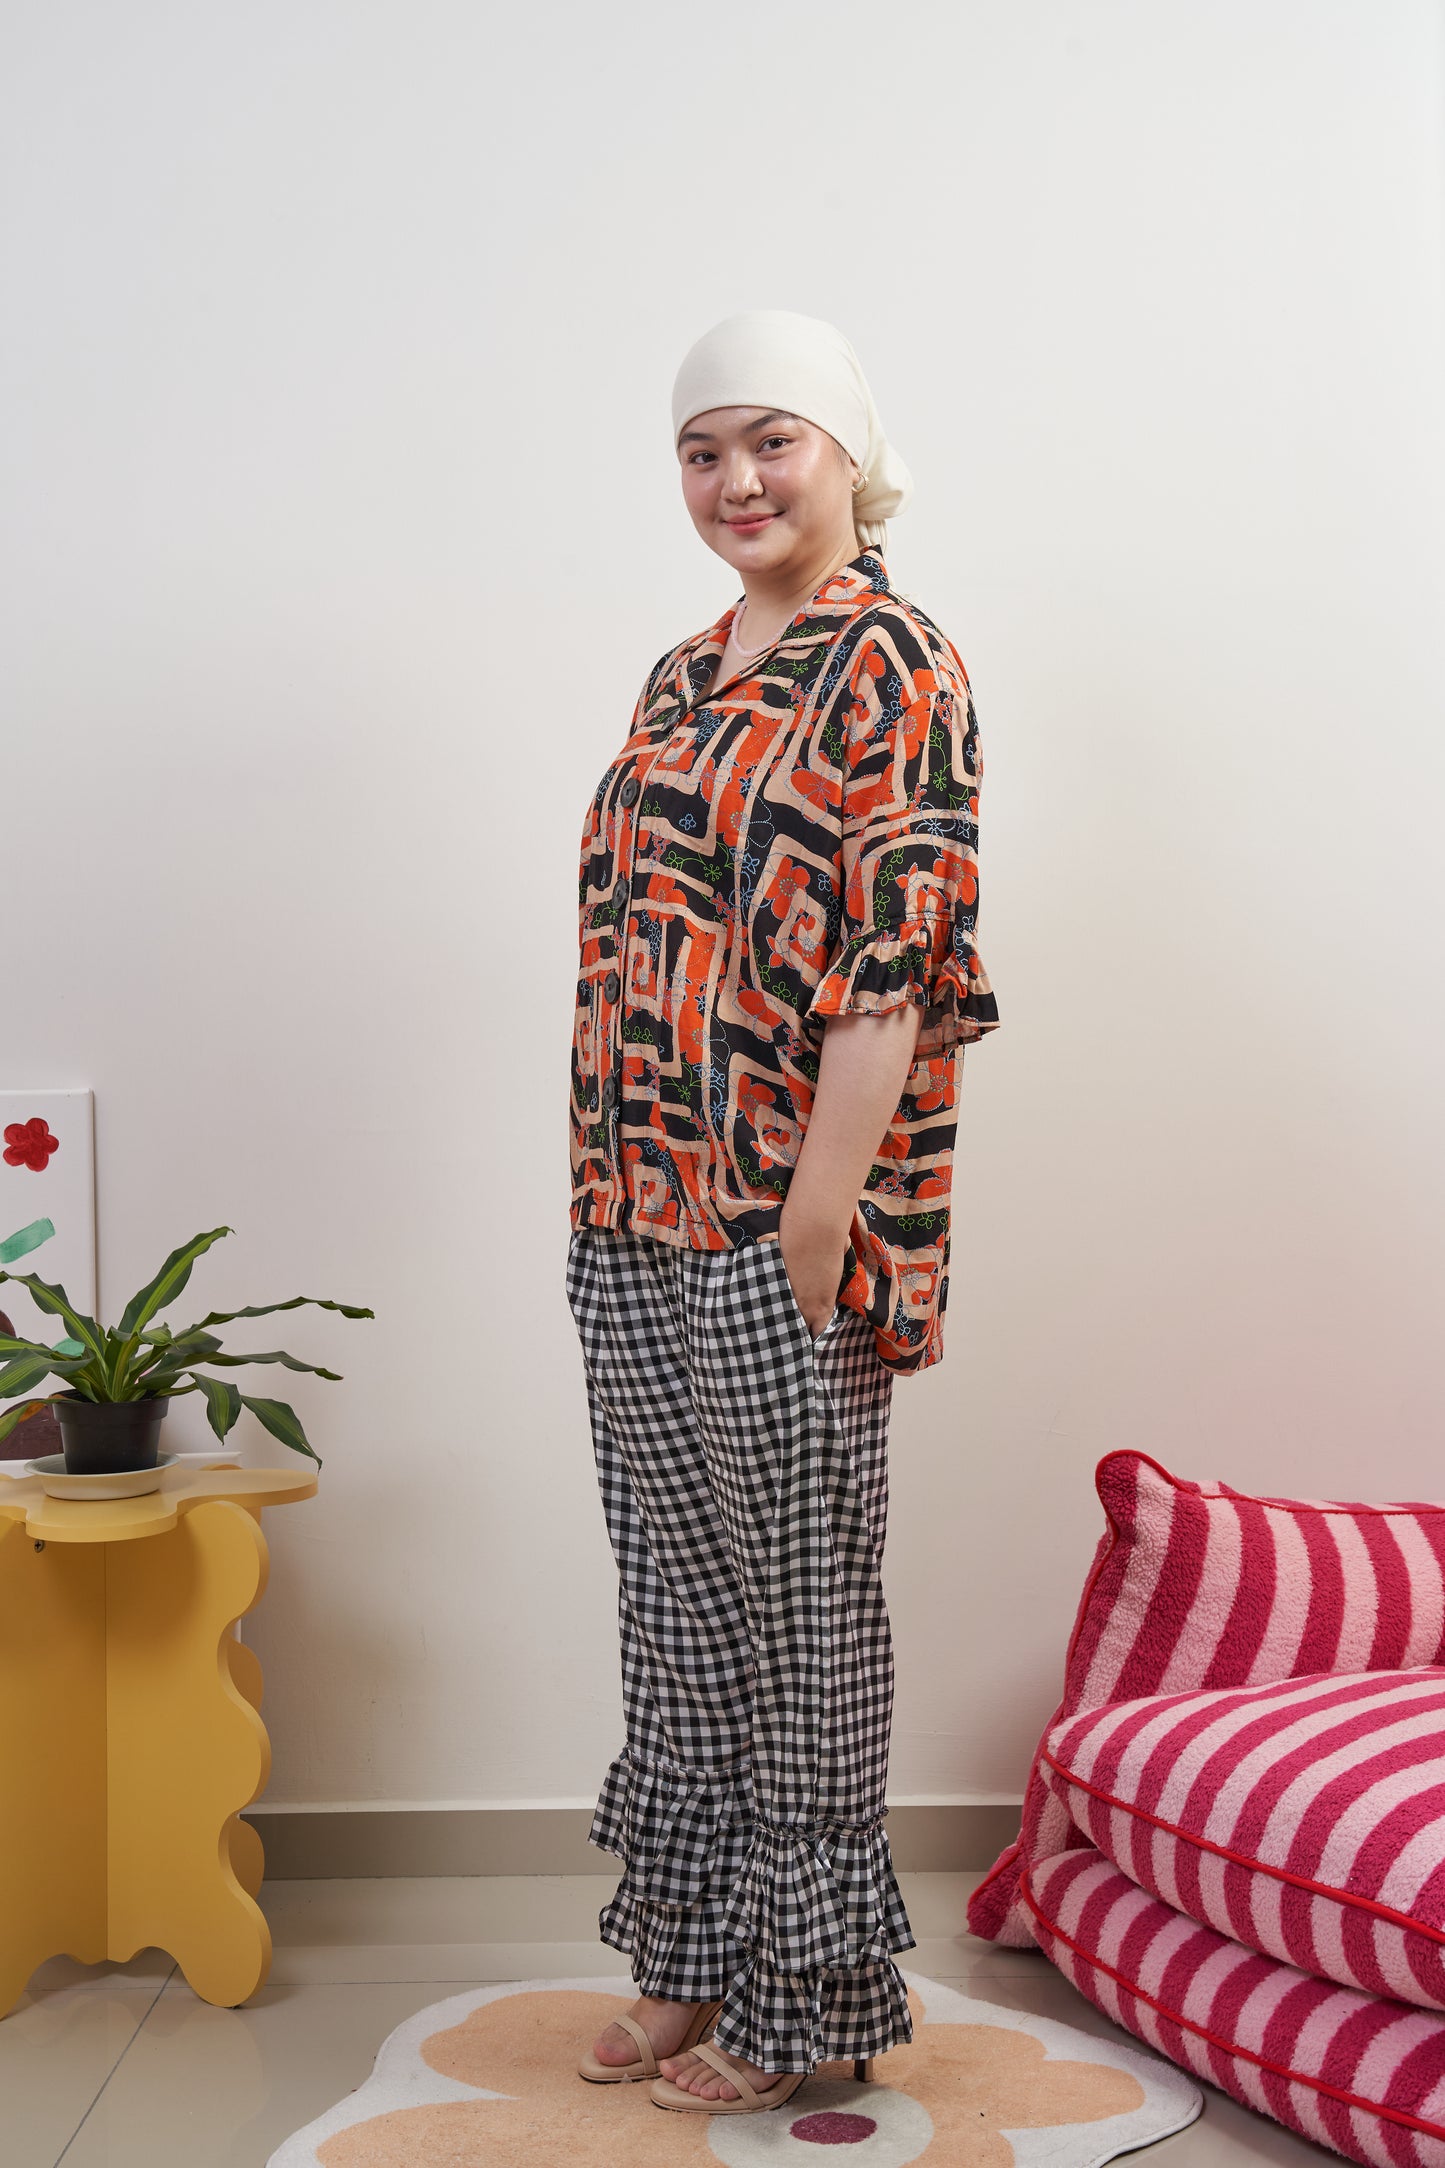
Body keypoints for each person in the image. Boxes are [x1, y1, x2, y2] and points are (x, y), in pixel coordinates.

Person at [566, 308, 1001, 2115]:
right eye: (700, 451)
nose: (734, 481)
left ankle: (811, 2000)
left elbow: (901, 968)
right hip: (628, 1200)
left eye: (771, 442)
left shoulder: (893, 661)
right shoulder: (682, 671)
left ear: (843, 451)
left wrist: (819, 1217)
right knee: (674, 1599)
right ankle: (686, 1952)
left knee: (803, 1607)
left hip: (779, 1220)